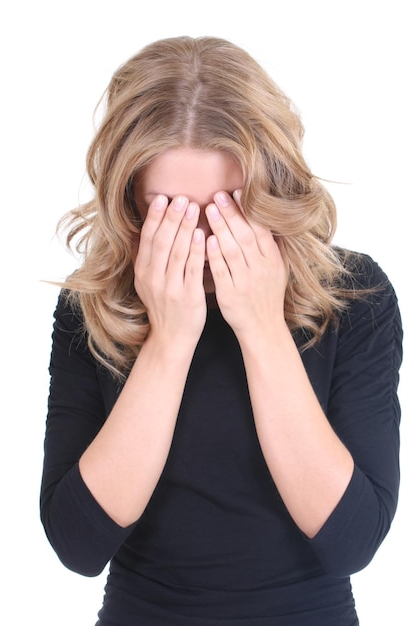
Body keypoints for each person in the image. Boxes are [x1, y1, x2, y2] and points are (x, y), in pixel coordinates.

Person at [40, 36, 403, 626]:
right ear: (130, 202)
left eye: (229, 209)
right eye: (170, 213)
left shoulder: (354, 296)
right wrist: (169, 340)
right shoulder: (97, 307)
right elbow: (78, 546)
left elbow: (352, 542)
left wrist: (260, 327)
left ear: (273, 190)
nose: (204, 242)